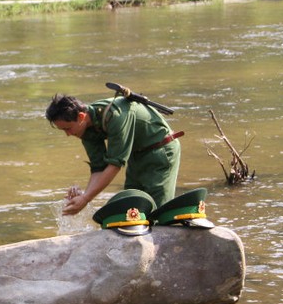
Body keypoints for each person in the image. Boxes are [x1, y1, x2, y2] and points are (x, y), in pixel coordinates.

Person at [45, 92, 182, 215]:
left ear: (81, 116)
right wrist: (83, 196)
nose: (68, 134)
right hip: (136, 156)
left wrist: (86, 198)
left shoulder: (115, 115)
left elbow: (115, 164)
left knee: (158, 211)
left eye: (67, 129)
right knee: (132, 208)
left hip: (161, 151)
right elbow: (99, 168)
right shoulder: (85, 128)